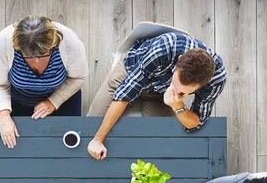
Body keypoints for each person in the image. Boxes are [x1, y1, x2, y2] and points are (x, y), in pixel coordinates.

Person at [86, 32, 227, 160]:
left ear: (206, 82)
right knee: (91, 129)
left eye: (183, 92)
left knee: (163, 148)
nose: (177, 91)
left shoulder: (216, 80)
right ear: (179, 60)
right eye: (176, 84)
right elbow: (125, 93)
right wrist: (98, 140)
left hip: (160, 94)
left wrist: (178, 106)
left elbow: (196, 123)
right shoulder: (164, 47)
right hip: (130, 72)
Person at [0, 15, 88, 148]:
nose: (36, 60)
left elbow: (79, 77)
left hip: (62, 100)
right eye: (28, 55)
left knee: (62, 149)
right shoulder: (3, 42)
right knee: (6, 148)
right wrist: (3, 116)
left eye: (42, 54)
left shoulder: (69, 42)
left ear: (52, 43)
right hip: (15, 100)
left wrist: (54, 101)